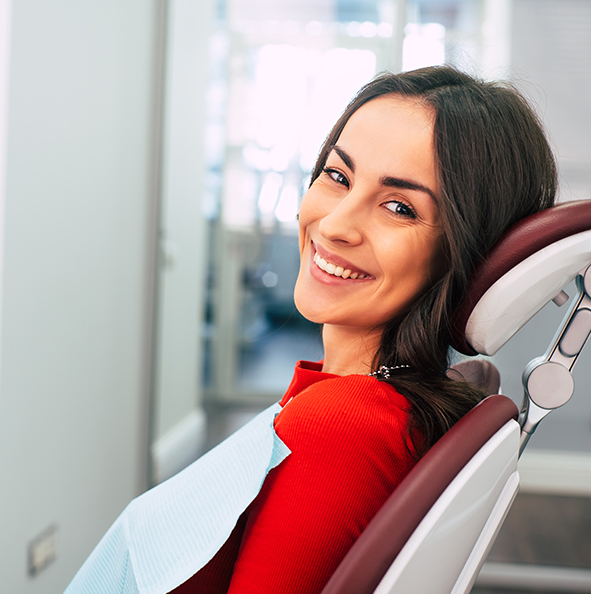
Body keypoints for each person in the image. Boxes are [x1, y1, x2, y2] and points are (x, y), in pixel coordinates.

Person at [64, 66, 557, 594]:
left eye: (399, 207)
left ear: (468, 253)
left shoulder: (343, 426)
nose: (335, 224)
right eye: (338, 176)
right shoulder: (363, 403)